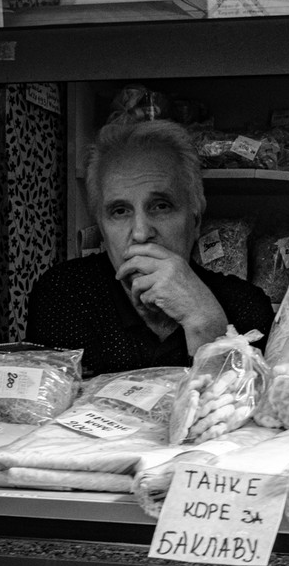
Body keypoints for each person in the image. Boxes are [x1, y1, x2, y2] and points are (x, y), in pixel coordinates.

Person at [26, 119, 275, 375]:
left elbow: (238, 409)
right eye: (120, 211)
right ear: (101, 227)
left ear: (195, 220)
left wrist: (205, 324)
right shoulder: (65, 294)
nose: (141, 233)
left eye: (160, 206)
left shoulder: (246, 306)